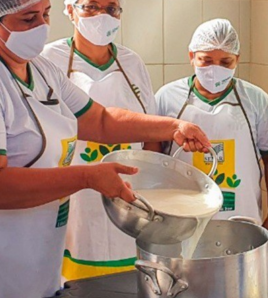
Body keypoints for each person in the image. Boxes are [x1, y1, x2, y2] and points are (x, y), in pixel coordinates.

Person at [0, 0, 210, 297]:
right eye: (28, 18)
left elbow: (100, 120)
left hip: (39, 261)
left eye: (45, 14)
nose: (41, 27)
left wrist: (172, 127)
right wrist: (87, 177)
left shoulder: (39, 69)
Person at [39, 0, 159, 280]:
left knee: (128, 282)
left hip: (130, 197)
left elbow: (150, 135)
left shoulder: (132, 64)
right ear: (69, 10)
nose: (102, 16)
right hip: (71, 198)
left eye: (111, 8)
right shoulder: (48, 61)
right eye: (91, 6)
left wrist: (150, 190)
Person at [156, 19, 268, 246]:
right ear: (191, 57)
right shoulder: (167, 98)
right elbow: (154, 158)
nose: (215, 70)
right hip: (182, 223)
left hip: (241, 222)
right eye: (206, 61)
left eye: (226, 62)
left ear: (237, 60)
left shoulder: (255, 100)